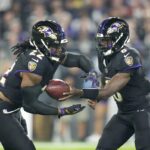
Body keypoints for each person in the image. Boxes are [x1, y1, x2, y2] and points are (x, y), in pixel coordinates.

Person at [0, 20, 94, 150]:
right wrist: (62, 111)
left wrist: (93, 75)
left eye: (60, 45)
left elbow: (79, 60)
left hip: (12, 107)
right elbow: (30, 105)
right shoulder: (35, 64)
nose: (59, 49)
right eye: (55, 46)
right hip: (4, 108)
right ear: (41, 44)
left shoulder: (49, 54)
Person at [65, 17, 150, 150]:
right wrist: (97, 96)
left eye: (107, 40)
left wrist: (78, 92)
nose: (102, 44)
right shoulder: (105, 56)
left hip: (143, 111)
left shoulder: (129, 56)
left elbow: (108, 91)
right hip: (124, 113)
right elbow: (107, 81)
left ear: (119, 39)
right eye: (101, 40)